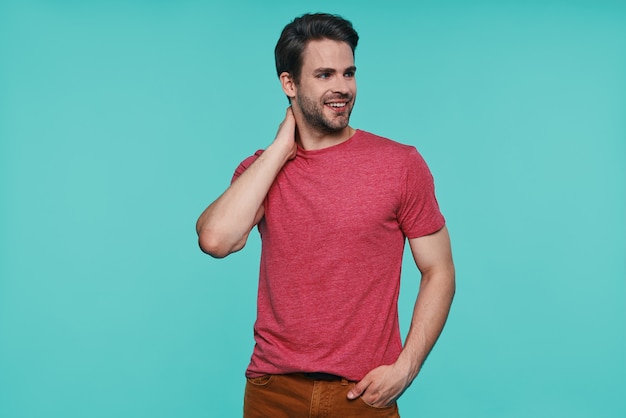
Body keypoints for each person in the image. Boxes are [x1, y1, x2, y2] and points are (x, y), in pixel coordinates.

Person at [196, 13, 455, 418]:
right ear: (289, 84)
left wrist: (406, 368)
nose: (342, 88)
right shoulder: (260, 172)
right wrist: (282, 149)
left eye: (349, 73)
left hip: (363, 396)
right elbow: (215, 239)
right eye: (324, 74)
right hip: (273, 392)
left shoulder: (400, 164)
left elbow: (439, 269)